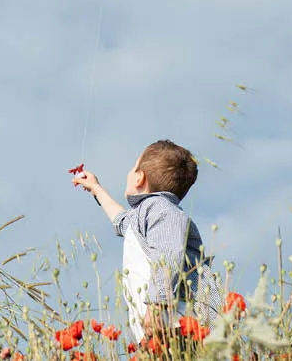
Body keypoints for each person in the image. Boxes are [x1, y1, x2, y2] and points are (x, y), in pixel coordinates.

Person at [72, 139, 219, 343]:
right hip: (162, 329)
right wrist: (96, 189)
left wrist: (158, 305)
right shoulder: (147, 214)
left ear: (140, 177)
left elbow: (169, 254)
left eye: (133, 167)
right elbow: (122, 222)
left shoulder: (161, 210)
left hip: (179, 327)